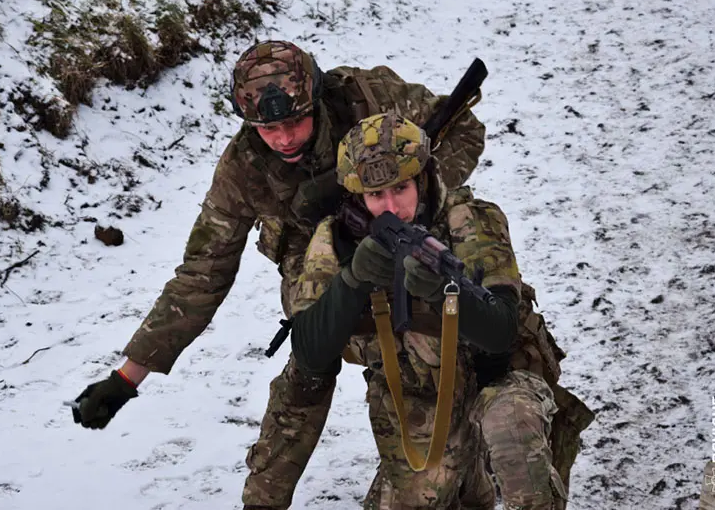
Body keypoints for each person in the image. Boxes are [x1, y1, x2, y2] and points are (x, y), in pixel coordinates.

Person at [69, 40, 487, 509]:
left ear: (316, 98)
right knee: (311, 357)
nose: (284, 138)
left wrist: (410, 198)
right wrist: (127, 378)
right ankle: (263, 499)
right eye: (268, 128)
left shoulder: (366, 98)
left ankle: (456, 445)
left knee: (435, 342)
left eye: (294, 121)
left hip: (413, 240)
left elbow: (464, 128)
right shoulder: (243, 168)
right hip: (314, 257)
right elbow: (202, 273)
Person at [289, 112, 588, 509]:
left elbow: (501, 331)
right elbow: (308, 351)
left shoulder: (470, 219)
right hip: (418, 403)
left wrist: (451, 292)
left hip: (497, 381)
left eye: (401, 188)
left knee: (511, 427)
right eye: (376, 196)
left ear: (424, 179)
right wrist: (352, 280)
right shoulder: (337, 240)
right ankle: (472, 482)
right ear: (357, 197)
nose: (391, 207)